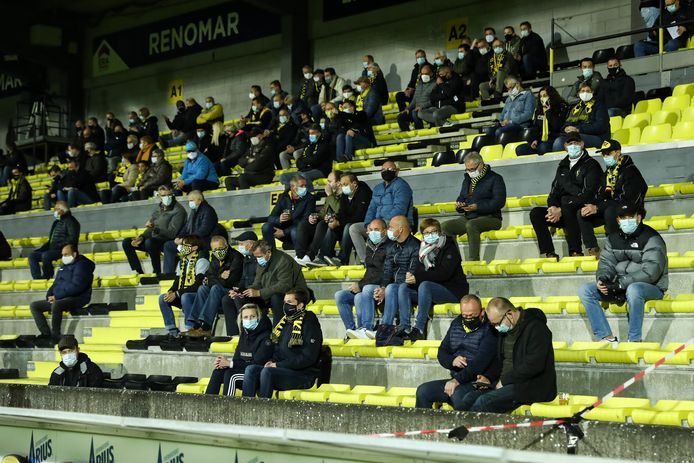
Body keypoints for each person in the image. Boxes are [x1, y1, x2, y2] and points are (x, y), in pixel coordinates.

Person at [579, 204, 668, 343]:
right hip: (619, 286)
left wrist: (621, 284)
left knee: (634, 289)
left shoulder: (652, 238)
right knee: (586, 290)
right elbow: (606, 263)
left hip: (651, 287)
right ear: (618, 220)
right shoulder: (613, 238)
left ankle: (634, 339)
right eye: (623, 217)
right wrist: (603, 278)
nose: (626, 220)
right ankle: (606, 337)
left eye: (630, 217)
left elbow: (651, 272)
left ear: (638, 217)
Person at [459, 297, 557, 413]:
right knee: (468, 399)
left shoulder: (537, 329)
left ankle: (472, 430)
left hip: (531, 386)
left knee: (484, 402)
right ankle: (457, 430)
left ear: (509, 314)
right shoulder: (504, 331)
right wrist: (489, 377)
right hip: (505, 383)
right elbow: (503, 360)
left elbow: (534, 365)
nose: (496, 328)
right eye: (493, 324)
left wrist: (504, 381)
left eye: (497, 324)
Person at [415, 295, 498, 410]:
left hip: (476, 380)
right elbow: (442, 351)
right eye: (465, 315)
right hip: (456, 377)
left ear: (482, 312)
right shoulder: (456, 323)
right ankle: (425, 427)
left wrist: (457, 380)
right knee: (423, 391)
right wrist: (452, 360)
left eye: (472, 315)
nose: (468, 319)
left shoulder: (490, 329)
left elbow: (480, 363)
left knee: (458, 396)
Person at [529, 133, 602, 259]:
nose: (573, 146)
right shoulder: (562, 166)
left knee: (568, 206)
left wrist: (562, 209)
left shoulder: (591, 165)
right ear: (565, 146)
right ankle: (549, 252)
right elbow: (554, 192)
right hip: (564, 211)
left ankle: (576, 251)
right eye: (570, 143)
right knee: (536, 213)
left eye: (576, 143)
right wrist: (553, 207)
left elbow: (589, 194)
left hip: (581, 210)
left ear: (582, 144)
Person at [242, 288, 323, 398]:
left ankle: (262, 411)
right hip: (283, 370)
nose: (285, 305)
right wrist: (271, 361)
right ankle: (246, 408)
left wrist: (278, 365)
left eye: (289, 302)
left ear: (300, 305)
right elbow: (278, 350)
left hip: (303, 375)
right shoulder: (284, 322)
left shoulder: (309, 324)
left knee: (268, 372)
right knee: (251, 370)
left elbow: (308, 358)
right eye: (285, 302)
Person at [579, 140, 648, 258]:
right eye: (604, 154)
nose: (606, 157)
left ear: (617, 152)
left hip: (629, 210)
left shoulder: (630, 170)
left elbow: (627, 199)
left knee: (610, 211)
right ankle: (593, 248)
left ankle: (617, 247)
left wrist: (598, 207)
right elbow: (601, 195)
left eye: (608, 153)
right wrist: (592, 206)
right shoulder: (607, 174)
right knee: (582, 212)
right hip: (609, 208)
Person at [403, 218, 469, 340]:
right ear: (422, 235)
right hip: (432, 290)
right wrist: (412, 278)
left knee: (425, 285)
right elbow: (418, 270)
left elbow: (444, 274)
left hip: (453, 290)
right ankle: (404, 327)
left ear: (439, 232)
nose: (430, 235)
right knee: (403, 288)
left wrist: (418, 278)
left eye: (434, 231)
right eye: (426, 233)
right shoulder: (422, 251)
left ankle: (419, 329)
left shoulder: (449, 246)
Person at [442, 152, 506, 262]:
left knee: (472, 225)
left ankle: (473, 261)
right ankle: (455, 261)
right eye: (467, 169)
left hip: (491, 218)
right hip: (469, 216)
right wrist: (460, 205)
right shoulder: (467, 180)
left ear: (481, 164)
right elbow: (461, 197)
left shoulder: (496, 178)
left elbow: (499, 202)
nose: (470, 172)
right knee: (445, 227)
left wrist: (478, 207)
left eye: (472, 169)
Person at [334, 219, 390, 339]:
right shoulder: (370, 246)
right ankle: (351, 330)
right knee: (340, 296)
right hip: (368, 283)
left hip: (381, 285)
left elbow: (384, 273)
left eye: (376, 230)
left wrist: (361, 285)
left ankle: (366, 328)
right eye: (370, 230)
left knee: (365, 291)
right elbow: (370, 271)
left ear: (384, 231)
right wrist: (360, 284)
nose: (372, 232)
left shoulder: (389, 247)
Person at [349, 160, 413, 263]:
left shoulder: (402, 186)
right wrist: (368, 224)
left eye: (390, 169)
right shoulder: (377, 188)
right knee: (354, 229)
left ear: (397, 171)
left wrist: (381, 224)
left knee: (380, 228)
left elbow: (400, 209)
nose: (386, 171)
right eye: (383, 169)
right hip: (378, 224)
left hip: (394, 223)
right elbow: (371, 208)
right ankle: (366, 260)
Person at [233, 241, 309, 326]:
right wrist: (243, 291)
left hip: (292, 294)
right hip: (268, 293)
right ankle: (248, 331)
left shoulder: (283, 261)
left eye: (259, 256)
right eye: (256, 257)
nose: (258, 259)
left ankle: (277, 331)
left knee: (276, 298)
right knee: (238, 298)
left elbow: (284, 286)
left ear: (268, 252)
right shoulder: (263, 260)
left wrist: (259, 293)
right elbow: (257, 283)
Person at [30, 244, 95, 344]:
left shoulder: (83, 265)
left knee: (57, 304)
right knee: (35, 306)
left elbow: (77, 286)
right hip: (60, 297)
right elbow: (55, 283)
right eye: (62, 255)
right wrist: (49, 296)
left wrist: (57, 297)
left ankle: (55, 335)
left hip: (78, 298)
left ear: (74, 254)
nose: (64, 257)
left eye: (66, 254)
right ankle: (46, 334)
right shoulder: (63, 266)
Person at [204, 304, 273, 396]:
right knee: (218, 372)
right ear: (241, 320)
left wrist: (230, 364)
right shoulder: (244, 334)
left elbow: (257, 364)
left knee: (231, 375)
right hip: (243, 371)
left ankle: (227, 407)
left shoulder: (266, 337)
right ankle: (208, 405)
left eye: (252, 316)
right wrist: (223, 363)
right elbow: (237, 359)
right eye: (246, 317)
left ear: (258, 317)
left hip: (257, 376)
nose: (249, 319)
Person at [184, 235, 244, 337]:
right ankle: (196, 325)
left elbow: (230, 281)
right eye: (215, 249)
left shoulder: (236, 256)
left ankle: (206, 327)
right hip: (219, 287)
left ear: (226, 245)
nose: (217, 251)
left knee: (215, 288)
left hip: (232, 290)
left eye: (220, 248)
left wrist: (214, 278)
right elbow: (208, 276)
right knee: (202, 288)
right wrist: (220, 276)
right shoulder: (215, 257)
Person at [311, 172, 372, 267]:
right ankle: (323, 257)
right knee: (332, 225)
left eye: (345, 184)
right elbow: (342, 212)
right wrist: (334, 218)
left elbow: (360, 216)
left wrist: (339, 222)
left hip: (363, 224)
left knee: (348, 226)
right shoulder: (345, 194)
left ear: (354, 184)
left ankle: (342, 259)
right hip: (348, 223)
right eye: (342, 184)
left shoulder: (364, 192)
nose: (343, 187)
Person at [123, 185, 186, 276]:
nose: (167, 198)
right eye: (163, 196)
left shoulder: (179, 211)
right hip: (155, 238)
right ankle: (139, 271)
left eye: (169, 195)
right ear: (159, 197)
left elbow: (172, 233)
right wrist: (141, 237)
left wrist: (155, 229)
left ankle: (157, 272)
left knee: (150, 242)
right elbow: (151, 226)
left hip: (167, 241)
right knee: (127, 242)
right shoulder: (159, 208)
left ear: (173, 195)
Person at [377, 216, 421, 336]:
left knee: (399, 288)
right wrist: (383, 287)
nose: (388, 230)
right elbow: (387, 270)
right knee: (390, 288)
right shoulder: (392, 246)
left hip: (411, 288)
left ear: (401, 229)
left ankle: (405, 327)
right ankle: (386, 327)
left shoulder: (415, 246)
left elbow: (411, 274)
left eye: (391, 227)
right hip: (396, 286)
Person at [159, 235, 210, 336]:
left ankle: (190, 328)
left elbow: (198, 285)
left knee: (185, 296)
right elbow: (177, 282)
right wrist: (171, 291)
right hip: (183, 294)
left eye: (184, 245)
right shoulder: (181, 263)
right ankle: (172, 331)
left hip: (198, 296)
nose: (181, 247)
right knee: (162, 298)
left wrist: (177, 293)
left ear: (194, 248)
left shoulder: (201, 261)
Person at [162, 190, 219, 275]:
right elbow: (186, 227)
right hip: (191, 241)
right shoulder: (194, 211)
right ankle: (169, 273)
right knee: (169, 245)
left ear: (200, 200)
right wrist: (179, 237)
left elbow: (204, 230)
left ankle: (180, 273)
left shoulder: (208, 211)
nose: (190, 203)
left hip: (202, 242)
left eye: (192, 200)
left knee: (175, 247)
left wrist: (185, 240)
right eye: (189, 201)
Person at [294, 170, 343, 266]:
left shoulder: (343, 196)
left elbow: (338, 210)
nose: (327, 184)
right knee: (304, 223)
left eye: (330, 181)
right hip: (326, 222)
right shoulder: (333, 195)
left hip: (337, 225)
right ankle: (300, 256)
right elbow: (323, 212)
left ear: (338, 183)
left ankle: (310, 256)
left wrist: (329, 195)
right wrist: (314, 216)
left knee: (321, 224)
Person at [261, 175, 316, 250]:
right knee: (266, 227)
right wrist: (279, 219)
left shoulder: (310, 198)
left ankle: (301, 252)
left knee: (295, 230)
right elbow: (271, 217)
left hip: (300, 231)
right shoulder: (284, 197)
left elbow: (305, 220)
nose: (305, 188)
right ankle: (271, 252)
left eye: (305, 186)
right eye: (301, 186)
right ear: (292, 187)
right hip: (285, 231)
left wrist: (284, 232)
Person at [220, 231, 259, 336]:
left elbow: (259, 281)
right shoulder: (247, 259)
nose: (239, 246)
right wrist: (236, 290)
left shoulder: (260, 259)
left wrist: (241, 292)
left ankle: (246, 333)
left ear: (250, 245)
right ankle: (233, 334)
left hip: (258, 293)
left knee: (238, 298)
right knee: (227, 299)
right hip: (247, 292)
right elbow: (243, 280)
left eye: (241, 244)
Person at [29, 201, 80, 280]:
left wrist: (60, 245)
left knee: (46, 255)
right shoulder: (56, 222)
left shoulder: (71, 221)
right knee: (32, 255)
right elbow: (51, 241)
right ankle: (37, 279)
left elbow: (72, 238)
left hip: (62, 250)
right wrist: (40, 249)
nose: (54, 211)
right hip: (52, 249)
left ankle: (47, 276)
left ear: (62, 210)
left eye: (56, 209)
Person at [552, 82, 610, 151]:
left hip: (597, 137)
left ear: (592, 92)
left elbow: (601, 126)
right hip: (575, 134)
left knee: (561, 142)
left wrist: (578, 129)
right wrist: (566, 128)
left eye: (588, 91)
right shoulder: (575, 108)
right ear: (579, 93)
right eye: (583, 91)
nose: (585, 93)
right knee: (559, 140)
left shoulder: (599, 105)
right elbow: (566, 123)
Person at [515, 86, 569, 156]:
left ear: (552, 96)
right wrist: (535, 139)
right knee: (520, 149)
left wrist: (549, 112)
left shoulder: (562, 107)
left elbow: (557, 126)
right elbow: (536, 128)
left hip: (555, 138)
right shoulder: (539, 110)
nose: (542, 98)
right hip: (541, 140)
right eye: (541, 96)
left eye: (545, 95)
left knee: (542, 147)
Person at [278, 124, 332, 190]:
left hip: (320, 170)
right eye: (309, 133)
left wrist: (305, 161)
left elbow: (315, 160)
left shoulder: (324, 144)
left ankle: (309, 195)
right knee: (283, 177)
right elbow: (299, 161)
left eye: (313, 133)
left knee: (304, 176)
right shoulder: (308, 145)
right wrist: (306, 161)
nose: (311, 135)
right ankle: (293, 193)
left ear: (319, 133)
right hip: (305, 170)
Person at [397, 64, 436, 132]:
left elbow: (434, 101)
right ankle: (409, 136)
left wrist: (422, 106)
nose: (424, 76)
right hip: (416, 109)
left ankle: (420, 133)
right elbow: (414, 100)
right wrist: (407, 108)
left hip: (427, 109)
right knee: (400, 117)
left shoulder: (435, 84)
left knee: (415, 113)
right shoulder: (419, 84)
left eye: (426, 74)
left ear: (431, 73)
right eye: (422, 74)